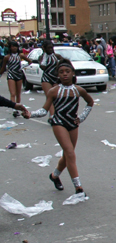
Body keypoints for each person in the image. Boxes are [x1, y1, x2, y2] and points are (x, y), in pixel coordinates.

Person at [30, 60, 94, 197]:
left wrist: (82, 117)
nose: (64, 74)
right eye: (61, 72)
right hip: (58, 123)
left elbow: (90, 102)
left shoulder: (78, 90)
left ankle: (54, 175)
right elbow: (44, 110)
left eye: (67, 72)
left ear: (72, 74)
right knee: (70, 153)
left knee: (67, 156)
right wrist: (30, 114)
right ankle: (78, 188)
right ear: (58, 75)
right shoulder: (54, 91)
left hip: (73, 124)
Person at [0, 41, 28, 117]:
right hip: (11, 75)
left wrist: (22, 67)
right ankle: (14, 109)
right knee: (13, 93)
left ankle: (18, 108)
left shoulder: (20, 56)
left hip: (19, 75)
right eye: (12, 46)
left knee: (18, 93)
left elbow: (30, 61)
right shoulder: (7, 57)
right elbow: (3, 68)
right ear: (10, 47)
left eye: (15, 46)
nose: (14, 48)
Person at [39, 40, 64, 110]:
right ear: (44, 48)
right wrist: (45, 55)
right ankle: (52, 116)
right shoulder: (42, 57)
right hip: (46, 78)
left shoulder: (56, 56)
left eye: (51, 48)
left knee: (58, 97)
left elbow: (64, 63)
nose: (50, 49)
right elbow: (43, 67)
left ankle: (56, 114)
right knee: (50, 98)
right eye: (48, 48)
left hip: (56, 78)